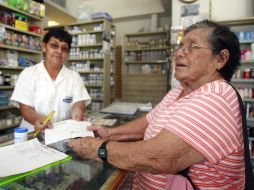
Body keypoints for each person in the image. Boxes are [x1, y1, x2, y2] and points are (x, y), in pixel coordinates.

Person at [68, 20, 244, 189]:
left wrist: (96, 149)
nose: (180, 53)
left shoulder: (217, 96)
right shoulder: (180, 90)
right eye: (181, 46)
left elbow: (160, 157)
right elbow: (149, 121)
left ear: (220, 59)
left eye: (193, 46)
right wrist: (110, 133)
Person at [10, 28, 91, 133]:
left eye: (64, 48)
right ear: (44, 47)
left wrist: (78, 111)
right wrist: (37, 119)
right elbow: (26, 108)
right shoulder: (28, 74)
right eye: (54, 45)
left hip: (62, 134)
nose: (59, 51)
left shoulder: (74, 77)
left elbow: (79, 102)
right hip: (33, 134)